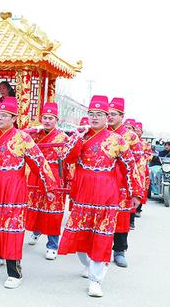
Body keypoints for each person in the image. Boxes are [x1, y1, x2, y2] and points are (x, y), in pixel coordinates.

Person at [58, 95, 142, 298]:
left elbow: (130, 167)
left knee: (102, 237)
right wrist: (77, 136)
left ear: (107, 117)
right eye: (91, 114)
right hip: (83, 192)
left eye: (100, 114)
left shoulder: (118, 140)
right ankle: (90, 265)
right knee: (79, 235)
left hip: (106, 194)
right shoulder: (82, 136)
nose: (94, 118)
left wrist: (135, 193)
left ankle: (96, 280)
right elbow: (66, 157)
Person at [0, 96, 57, 289]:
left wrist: (49, 187)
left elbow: (39, 162)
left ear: (13, 117)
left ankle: (14, 271)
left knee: (12, 225)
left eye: (4, 115)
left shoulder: (23, 137)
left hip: (14, 186)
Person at [26, 102, 71, 260]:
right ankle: (36, 232)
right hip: (36, 174)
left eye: (50, 118)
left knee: (53, 211)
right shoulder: (35, 135)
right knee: (36, 206)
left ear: (56, 119)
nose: (47, 121)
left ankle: (52, 245)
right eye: (45, 117)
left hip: (54, 175)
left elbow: (68, 162)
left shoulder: (63, 137)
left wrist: (69, 179)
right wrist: (32, 130)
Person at [107, 97, 144, 268]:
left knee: (121, 218)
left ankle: (120, 250)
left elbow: (139, 164)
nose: (110, 117)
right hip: (103, 183)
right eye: (108, 114)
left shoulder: (131, 137)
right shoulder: (101, 132)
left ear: (122, 115)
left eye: (113, 114)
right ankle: (100, 250)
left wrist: (137, 191)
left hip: (122, 184)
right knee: (102, 216)